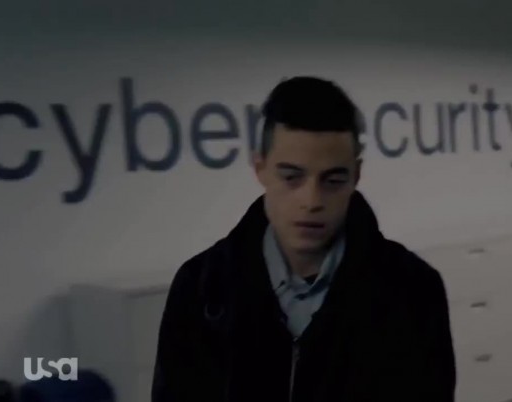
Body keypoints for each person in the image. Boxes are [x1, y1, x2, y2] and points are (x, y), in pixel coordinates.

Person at [151, 76, 456, 402]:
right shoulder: (200, 288)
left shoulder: (414, 289)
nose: (311, 201)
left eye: (333, 181)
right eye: (292, 178)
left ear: (356, 176)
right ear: (260, 168)